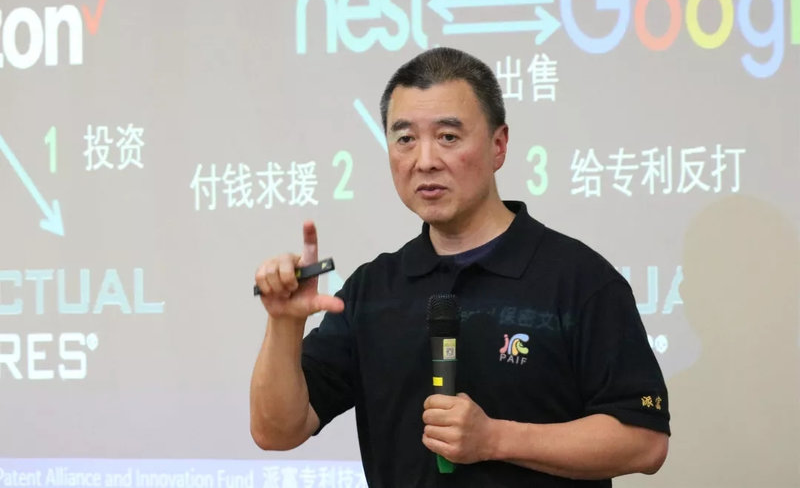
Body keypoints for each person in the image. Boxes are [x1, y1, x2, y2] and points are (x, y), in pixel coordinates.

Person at [250, 47, 670, 487]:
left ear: (498, 145)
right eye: (405, 139)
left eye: (448, 137)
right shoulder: (372, 290)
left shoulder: (579, 280)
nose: (425, 160)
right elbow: (277, 431)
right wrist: (284, 324)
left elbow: (644, 442)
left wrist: (495, 439)